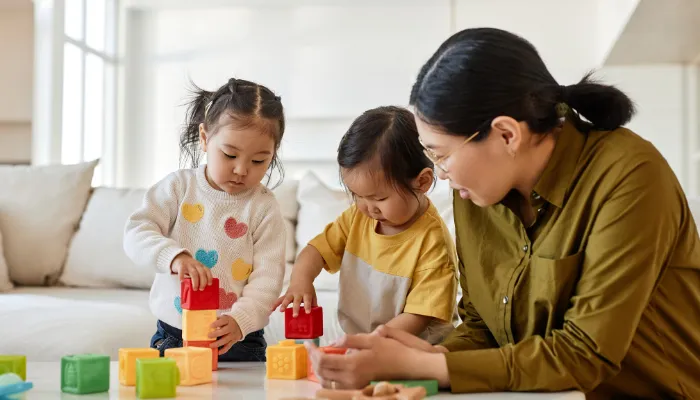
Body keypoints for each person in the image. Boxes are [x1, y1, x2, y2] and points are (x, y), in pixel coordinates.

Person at [307, 28, 700, 399]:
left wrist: (430, 366)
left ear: (507, 134)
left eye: (441, 155)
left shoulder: (630, 177)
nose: (440, 174)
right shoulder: (477, 191)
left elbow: (584, 353)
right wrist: (430, 358)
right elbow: (483, 327)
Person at [124, 77, 287, 362]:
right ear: (204, 138)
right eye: (230, 154)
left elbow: (268, 279)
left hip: (239, 340)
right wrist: (173, 257)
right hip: (175, 335)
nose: (241, 169)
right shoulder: (177, 188)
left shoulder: (264, 207)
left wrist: (241, 321)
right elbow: (137, 233)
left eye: (259, 161)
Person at [273, 106, 458, 343]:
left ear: (421, 182)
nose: (367, 207)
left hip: (415, 348)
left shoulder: (433, 244)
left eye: (379, 198)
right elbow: (315, 251)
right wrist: (300, 281)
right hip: (367, 343)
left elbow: (417, 318)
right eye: (357, 195)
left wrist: (370, 344)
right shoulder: (358, 218)